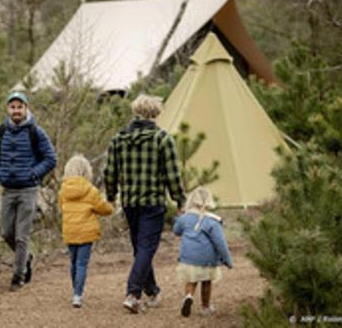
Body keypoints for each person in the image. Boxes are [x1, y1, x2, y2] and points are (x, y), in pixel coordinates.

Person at [104, 94, 186, 313]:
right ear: (156, 113)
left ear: (135, 112)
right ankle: (132, 293)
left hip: (130, 203)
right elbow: (172, 174)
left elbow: (110, 172)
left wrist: (111, 196)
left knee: (141, 249)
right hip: (152, 202)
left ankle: (153, 292)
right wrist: (179, 199)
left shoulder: (119, 139)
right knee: (146, 248)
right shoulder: (162, 139)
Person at [0, 90, 57, 291]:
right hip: (7, 189)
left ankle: (17, 277)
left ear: (26, 108)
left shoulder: (36, 132)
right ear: (8, 109)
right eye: (13, 107)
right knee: (6, 233)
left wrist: (34, 174)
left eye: (20, 107)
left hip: (28, 190)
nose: (16, 110)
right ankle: (27, 258)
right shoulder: (0, 131)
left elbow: (51, 158)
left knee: (21, 236)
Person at [59, 154, 114, 308]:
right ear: (86, 171)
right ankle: (78, 294)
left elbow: (62, 208)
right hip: (86, 233)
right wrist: (111, 206)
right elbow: (103, 209)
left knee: (73, 262)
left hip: (70, 231)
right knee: (82, 264)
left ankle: (75, 291)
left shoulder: (63, 190)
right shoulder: (90, 190)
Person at [173, 186, 233, 318]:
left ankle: (188, 296)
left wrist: (177, 218)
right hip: (207, 259)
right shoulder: (212, 221)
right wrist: (227, 260)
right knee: (206, 282)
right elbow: (220, 243)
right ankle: (205, 307)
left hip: (188, 257)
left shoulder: (185, 218)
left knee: (191, 280)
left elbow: (176, 230)